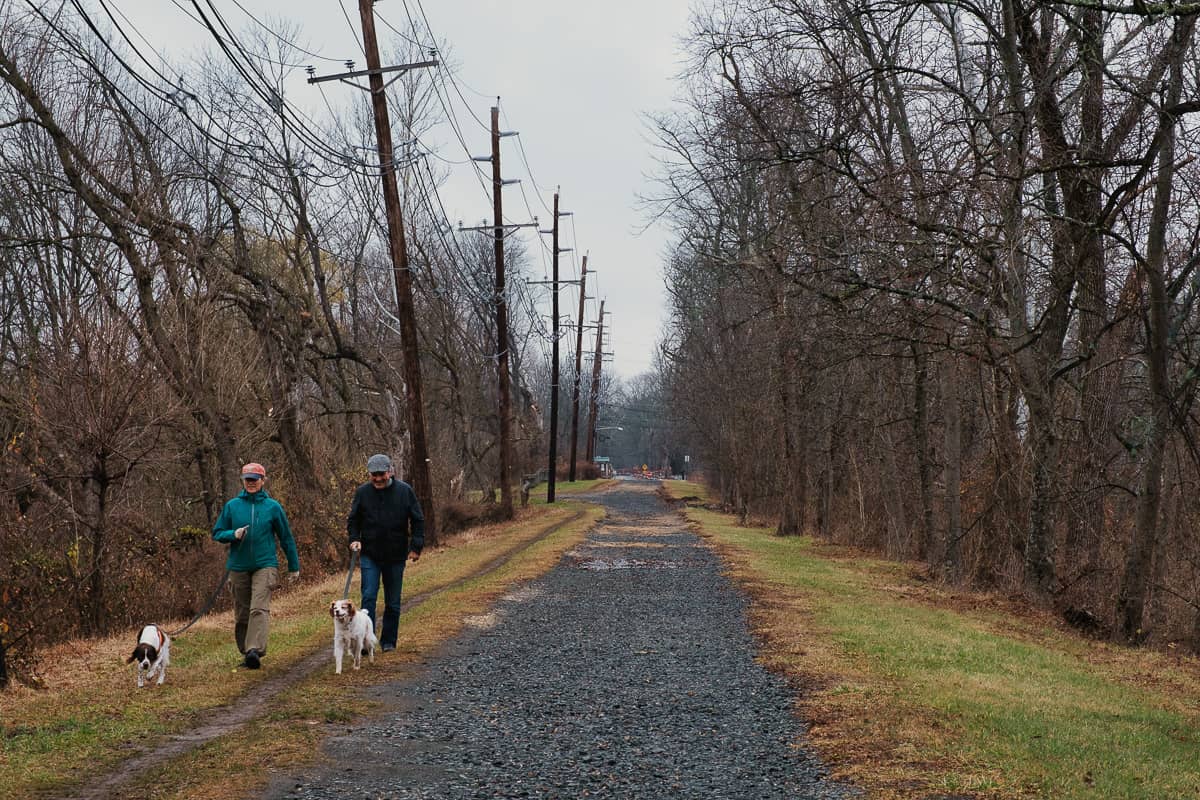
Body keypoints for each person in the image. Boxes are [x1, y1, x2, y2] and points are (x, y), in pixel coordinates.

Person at [212, 462, 300, 669]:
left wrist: (293, 566)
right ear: (242, 481)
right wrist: (232, 534)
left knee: (258, 608)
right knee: (242, 612)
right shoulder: (232, 506)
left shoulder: (273, 507)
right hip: (238, 565)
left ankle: (254, 650)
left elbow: (286, 538)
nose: (251, 483)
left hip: (265, 564)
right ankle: (246, 652)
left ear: (263, 481)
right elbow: (217, 533)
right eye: (247, 480)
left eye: (255, 479)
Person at [347, 453, 424, 652]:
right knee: (369, 597)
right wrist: (354, 538)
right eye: (374, 475)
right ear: (369, 474)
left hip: (396, 555)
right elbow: (353, 519)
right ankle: (366, 641)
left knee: (393, 602)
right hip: (370, 554)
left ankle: (388, 641)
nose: (378, 478)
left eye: (382, 474)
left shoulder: (404, 492)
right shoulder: (362, 493)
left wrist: (416, 547)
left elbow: (417, 520)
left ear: (390, 472)